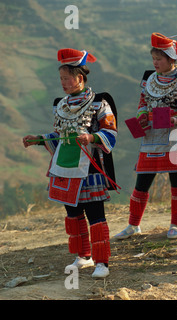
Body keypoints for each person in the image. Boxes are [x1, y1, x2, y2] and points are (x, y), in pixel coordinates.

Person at [22, 48, 118, 278]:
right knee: (73, 214)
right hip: (64, 166)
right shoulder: (61, 105)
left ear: (80, 78)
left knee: (95, 214)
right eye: (61, 79)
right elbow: (60, 137)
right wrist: (38, 139)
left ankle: (102, 262)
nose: (63, 83)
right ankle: (83, 255)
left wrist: (91, 137)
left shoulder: (99, 102)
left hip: (89, 167)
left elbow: (110, 132)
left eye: (67, 78)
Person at [114, 33, 177, 240]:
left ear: (171, 59)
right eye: (154, 59)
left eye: (159, 59)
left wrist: (176, 120)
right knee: (142, 181)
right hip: (150, 137)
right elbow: (142, 103)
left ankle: (175, 224)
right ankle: (133, 224)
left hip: (174, 138)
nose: (155, 63)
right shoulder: (148, 78)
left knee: (176, 182)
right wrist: (141, 116)